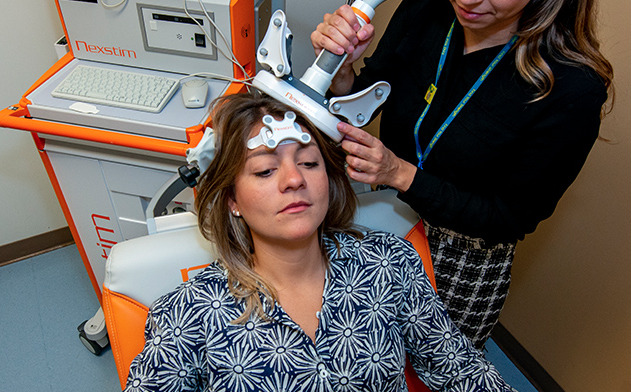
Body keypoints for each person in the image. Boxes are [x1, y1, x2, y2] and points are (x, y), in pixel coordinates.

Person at [310, 0, 614, 348]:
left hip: (462, 264)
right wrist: (340, 71)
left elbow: (508, 219)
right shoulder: (429, 7)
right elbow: (368, 96)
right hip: (381, 222)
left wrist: (402, 173)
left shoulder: (572, 88)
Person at [124, 92, 514, 392]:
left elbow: (459, 369)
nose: (294, 179)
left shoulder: (387, 263)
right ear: (232, 200)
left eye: (309, 163)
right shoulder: (188, 314)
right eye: (264, 170)